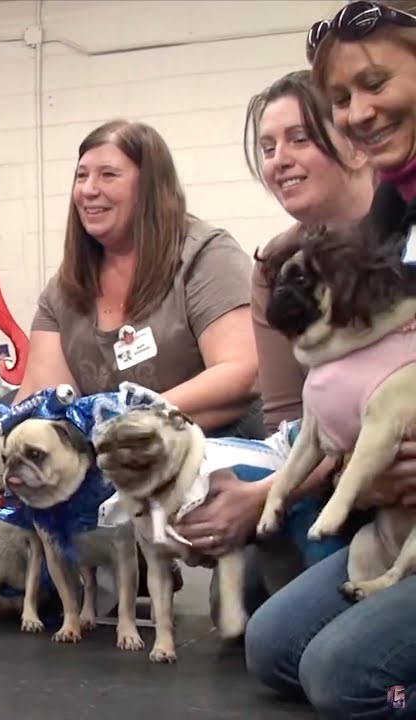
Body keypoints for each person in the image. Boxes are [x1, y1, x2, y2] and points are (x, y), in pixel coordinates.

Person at [0, 119, 261, 555]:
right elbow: (38, 400)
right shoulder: (65, 288)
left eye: (109, 175)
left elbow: (242, 373)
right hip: (114, 469)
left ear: (152, 186)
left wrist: (125, 417)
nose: (90, 189)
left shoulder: (205, 256)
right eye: (82, 176)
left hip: (210, 459)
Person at [245, 2, 416, 715]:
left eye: (376, 83)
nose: (359, 112)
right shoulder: (392, 213)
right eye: (342, 97)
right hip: (389, 502)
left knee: (343, 677)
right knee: (273, 645)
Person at [172, 70, 376, 605]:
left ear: (355, 146)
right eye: (267, 147)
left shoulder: (400, 245)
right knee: (232, 603)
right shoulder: (275, 265)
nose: (278, 159)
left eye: (299, 139)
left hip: (380, 470)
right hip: (319, 463)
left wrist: (263, 496)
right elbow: (287, 422)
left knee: (287, 645)